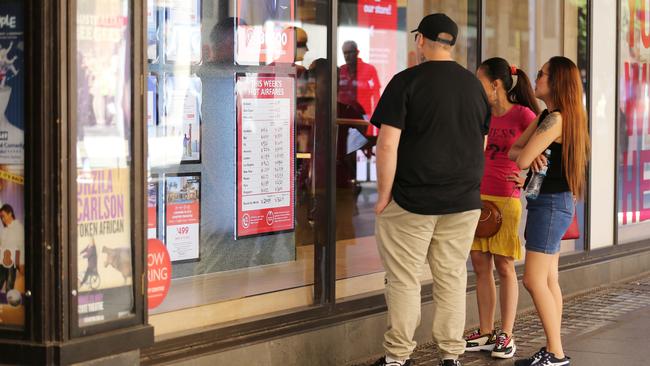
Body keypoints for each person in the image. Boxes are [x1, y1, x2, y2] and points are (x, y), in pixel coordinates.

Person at [371, 14, 490, 366]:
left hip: (412, 200)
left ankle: (397, 357)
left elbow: (387, 145)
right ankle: (451, 355)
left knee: (405, 279)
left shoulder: (406, 81)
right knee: (451, 277)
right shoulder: (474, 87)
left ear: (421, 40)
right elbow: (479, 144)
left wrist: (382, 196)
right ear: (450, 43)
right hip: (464, 201)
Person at [509, 57, 590, 366]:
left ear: (555, 82)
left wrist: (533, 153)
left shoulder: (556, 119)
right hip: (549, 202)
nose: (536, 78)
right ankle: (554, 349)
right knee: (549, 280)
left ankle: (555, 353)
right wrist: (532, 154)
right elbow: (516, 150)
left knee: (533, 280)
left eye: (541, 74)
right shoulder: (548, 116)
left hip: (552, 204)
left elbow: (522, 158)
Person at [463, 58, 540, 359]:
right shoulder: (480, 114)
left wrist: (525, 176)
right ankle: (485, 332)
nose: (475, 87)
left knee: (505, 267)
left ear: (495, 85)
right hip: (476, 199)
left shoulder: (523, 114)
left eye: (479, 81)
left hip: (507, 200)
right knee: (481, 266)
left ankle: (506, 335)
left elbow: (544, 149)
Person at [338, 41, 381, 122]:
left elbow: (376, 94)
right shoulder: (340, 70)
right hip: (342, 117)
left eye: (350, 52)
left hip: (363, 116)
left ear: (357, 52)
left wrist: (377, 117)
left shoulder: (369, 69)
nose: (347, 56)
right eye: (345, 53)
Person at [0, 204, 23, 293]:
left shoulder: (18, 227)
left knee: (9, 287)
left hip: (12, 264)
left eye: (3, 216)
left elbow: (20, 247)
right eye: (1, 217)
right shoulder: (4, 231)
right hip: (1, 263)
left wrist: (19, 263)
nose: (2, 219)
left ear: (10, 213)